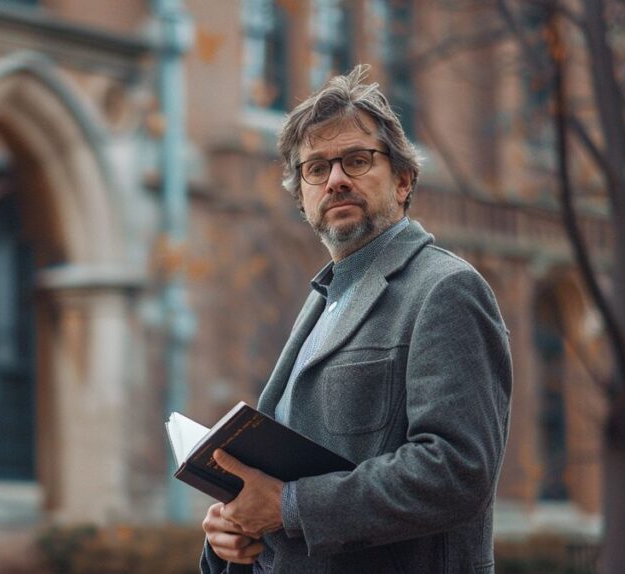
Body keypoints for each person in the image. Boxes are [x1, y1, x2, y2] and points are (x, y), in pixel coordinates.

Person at [199, 65, 512, 573]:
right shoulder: (322, 300)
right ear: (302, 198)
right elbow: (281, 478)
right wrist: (232, 530)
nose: (336, 179)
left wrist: (288, 506)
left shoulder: (446, 289)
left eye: (357, 161)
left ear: (404, 180)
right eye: (316, 169)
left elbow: (458, 471)